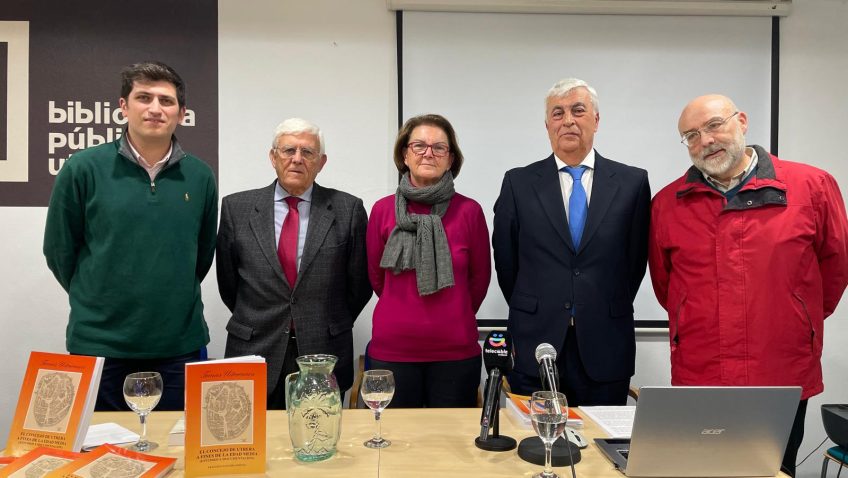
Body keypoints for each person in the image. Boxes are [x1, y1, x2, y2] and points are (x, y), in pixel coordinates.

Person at [648, 94, 848, 476]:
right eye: (690, 135)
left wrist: (794, 315)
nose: (705, 140)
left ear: (741, 121)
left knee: (774, 470)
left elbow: (835, 269)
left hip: (780, 371)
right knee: (700, 472)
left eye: (713, 125)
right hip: (701, 372)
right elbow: (666, 285)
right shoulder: (667, 204)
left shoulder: (813, 186)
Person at [43, 61, 218, 411]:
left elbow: (200, 255)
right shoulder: (83, 168)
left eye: (166, 101)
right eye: (144, 97)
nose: (155, 108)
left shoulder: (200, 176)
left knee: (177, 456)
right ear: (123, 107)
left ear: (181, 113)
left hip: (178, 346)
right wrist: (99, 296)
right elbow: (59, 251)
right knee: (104, 454)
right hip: (101, 346)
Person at [492, 78, 651, 406]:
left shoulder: (632, 183)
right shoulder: (518, 183)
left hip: (605, 342)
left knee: (601, 449)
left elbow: (635, 261)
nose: (568, 120)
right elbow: (506, 261)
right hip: (536, 340)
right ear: (547, 125)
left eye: (578, 111)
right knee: (533, 447)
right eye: (558, 113)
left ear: (596, 120)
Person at [217, 118, 371, 409]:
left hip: (323, 350)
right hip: (255, 346)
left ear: (321, 162)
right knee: (256, 446)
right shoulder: (236, 208)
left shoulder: (347, 209)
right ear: (273, 157)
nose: (297, 159)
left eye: (307, 152)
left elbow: (359, 284)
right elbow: (229, 283)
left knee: (321, 444)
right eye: (288, 150)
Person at [366, 114, 491, 408]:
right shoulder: (382, 211)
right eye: (419, 145)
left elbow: (479, 280)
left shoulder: (470, 211)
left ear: (450, 160)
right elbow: (375, 276)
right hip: (393, 351)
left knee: (452, 449)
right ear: (404, 155)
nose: (428, 153)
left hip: (456, 354)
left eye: (439, 148)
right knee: (396, 446)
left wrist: (452, 313)